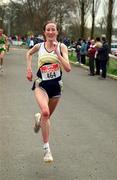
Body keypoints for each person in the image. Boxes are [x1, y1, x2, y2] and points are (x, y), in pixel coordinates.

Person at [26, 21, 71, 163]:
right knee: (45, 112)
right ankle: (47, 150)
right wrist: (28, 69)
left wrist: (58, 54)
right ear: (44, 32)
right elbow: (28, 53)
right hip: (41, 85)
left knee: (46, 117)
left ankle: (39, 118)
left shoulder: (62, 47)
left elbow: (68, 68)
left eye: (53, 30)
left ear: (57, 32)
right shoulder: (39, 46)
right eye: (48, 30)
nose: (51, 32)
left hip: (56, 87)